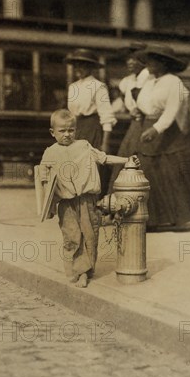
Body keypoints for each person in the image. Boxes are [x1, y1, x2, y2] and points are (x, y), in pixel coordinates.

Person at [39, 109, 139, 287]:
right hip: (66, 203)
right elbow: (44, 182)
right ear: (52, 133)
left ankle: (86, 269)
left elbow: (104, 158)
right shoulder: (49, 153)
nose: (67, 134)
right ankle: (79, 270)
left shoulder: (84, 146)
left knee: (90, 234)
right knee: (72, 236)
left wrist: (126, 160)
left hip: (88, 200)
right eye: (62, 131)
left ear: (76, 130)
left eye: (71, 130)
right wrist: (49, 206)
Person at [134, 45, 190, 231]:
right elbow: (142, 103)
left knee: (180, 172)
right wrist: (139, 112)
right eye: (148, 60)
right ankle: (153, 218)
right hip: (147, 127)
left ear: (164, 63)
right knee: (149, 173)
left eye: (153, 60)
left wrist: (156, 129)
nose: (148, 64)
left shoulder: (174, 83)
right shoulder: (149, 81)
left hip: (168, 132)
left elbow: (171, 111)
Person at [109, 42, 150, 191]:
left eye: (134, 59)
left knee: (140, 159)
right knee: (126, 156)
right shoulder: (128, 80)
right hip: (135, 124)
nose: (130, 62)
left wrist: (140, 109)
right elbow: (121, 102)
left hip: (147, 123)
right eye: (128, 59)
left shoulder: (149, 77)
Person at [65, 48, 117, 153]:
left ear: (90, 67)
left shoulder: (98, 86)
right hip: (75, 129)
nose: (78, 69)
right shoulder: (73, 87)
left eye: (83, 65)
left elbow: (106, 115)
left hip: (92, 130)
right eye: (76, 65)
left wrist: (105, 143)